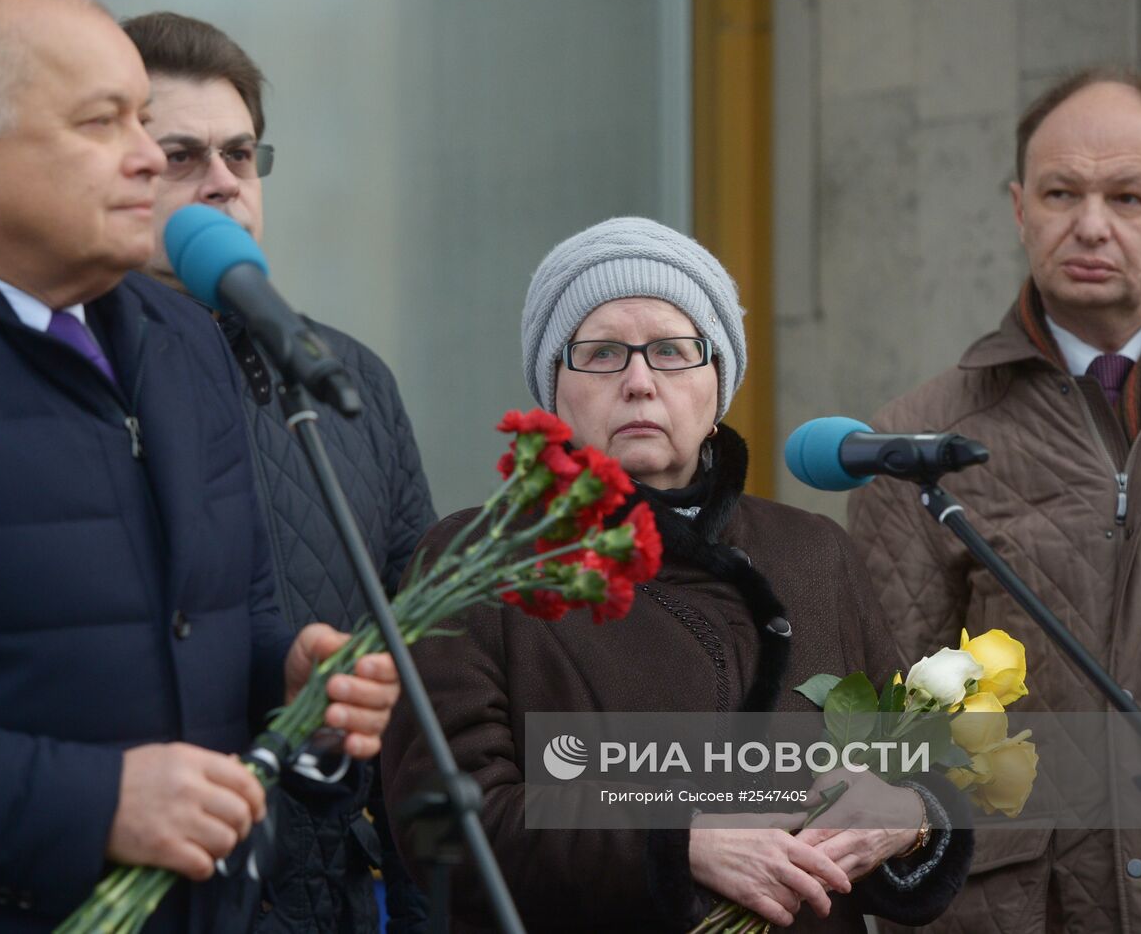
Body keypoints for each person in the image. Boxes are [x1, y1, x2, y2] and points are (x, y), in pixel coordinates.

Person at [0, 0, 400, 933]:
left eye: (144, 120)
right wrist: (93, 805)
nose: (147, 159)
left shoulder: (184, 343)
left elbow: (239, 622)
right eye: (104, 124)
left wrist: (291, 683)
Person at [379, 217, 973, 932]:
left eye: (671, 351)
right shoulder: (478, 563)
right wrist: (674, 843)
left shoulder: (813, 553)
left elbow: (912, 767)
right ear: (552, 393)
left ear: (717, 386)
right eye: (600, 353)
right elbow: (442, 827)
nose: (638, 382)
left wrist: (905, 817)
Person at [847, 68, 1141, 932]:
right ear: (1021, 208)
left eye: (1129, 197)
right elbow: (882, 734)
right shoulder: (917, 444)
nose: (1090, 224)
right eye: (1061, 192)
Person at [119, 10, 437, 932]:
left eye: (241, 154)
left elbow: (416, 672)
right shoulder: (74, 380)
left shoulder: (346, 380)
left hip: (331, 890)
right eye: (182, 156)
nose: (223, 184)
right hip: (156, 888)